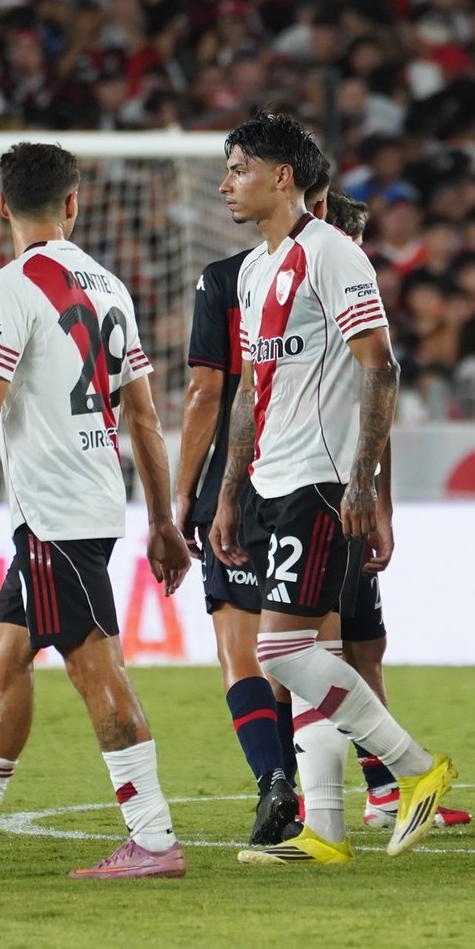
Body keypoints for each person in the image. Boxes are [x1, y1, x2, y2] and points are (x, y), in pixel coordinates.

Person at [0, 142, 192, 879]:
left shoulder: (11, 286)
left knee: (93, 667)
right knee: (6, 655)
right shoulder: (111, 286)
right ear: (73, 203)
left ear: (1, 206)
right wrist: (161, 520)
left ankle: (153, 839)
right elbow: (144, 418)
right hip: (87, 503)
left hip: (57, 511)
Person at [208, 112, 456, 866]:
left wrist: (363, 480)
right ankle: (328, 830)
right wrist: (227, 494)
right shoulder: (254, 270)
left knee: (280, 651)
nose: (225, 183)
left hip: (319, 480)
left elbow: (380, 366)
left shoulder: (334, 255)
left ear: (283, 177)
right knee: (306, 648)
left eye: (240, 167)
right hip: (266, 483)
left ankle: (417, 771)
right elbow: (251, 389)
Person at [311, 183, 474, 832]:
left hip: (353, 499)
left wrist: (385, 508)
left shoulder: (359, 319)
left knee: (364, 647)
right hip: (312, 496)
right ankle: (317, 795)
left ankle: (383, 792)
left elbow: (376, 425)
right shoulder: (306, 313)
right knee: (306, 652)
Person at [175, 200, 297, 848]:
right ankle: (337, 794)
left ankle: (276, 780)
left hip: (240, 478)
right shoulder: (335, 271)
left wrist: (182, 493)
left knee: (240, 650)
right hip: (313, 479)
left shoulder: (225, 279)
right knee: (303, 650)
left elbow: (205, 394)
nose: (226, 186)